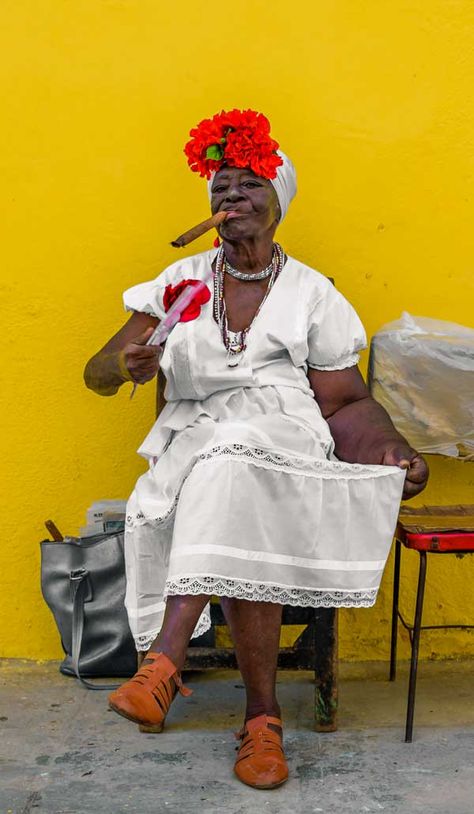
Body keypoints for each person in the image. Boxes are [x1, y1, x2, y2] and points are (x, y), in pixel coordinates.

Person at [84, 109, 428, 790]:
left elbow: (345, 404)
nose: (229, 199)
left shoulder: (310, 295)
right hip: (195, 455)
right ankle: (263, 721)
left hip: (287, 448)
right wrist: (126, 364)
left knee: (239, 451)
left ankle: (164, 662)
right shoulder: (178, 285)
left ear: (279, 206)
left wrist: (390, 450)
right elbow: (95, 372)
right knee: (226, 465)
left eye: (248, 187)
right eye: (220, 189)